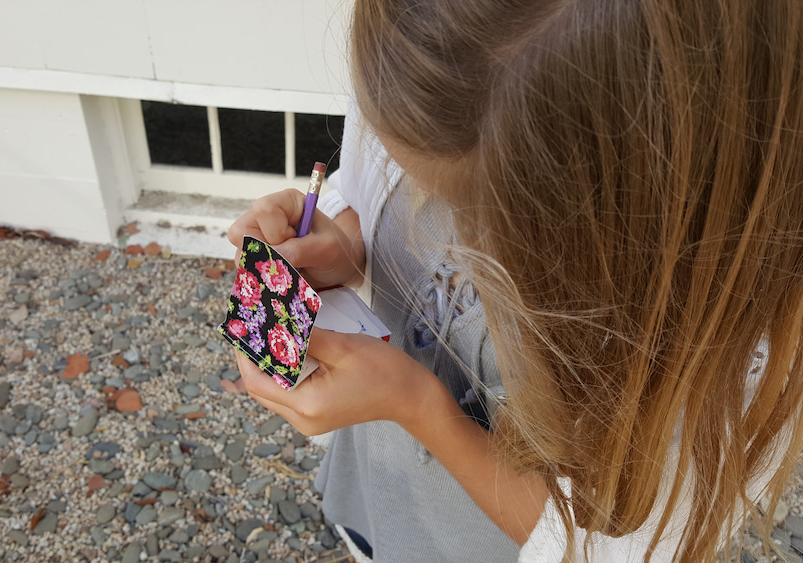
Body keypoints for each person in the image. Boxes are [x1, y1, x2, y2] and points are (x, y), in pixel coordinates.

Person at [226, 0, 803, 561]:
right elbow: (369, 192)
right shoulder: (432, 59)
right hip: (388, 482)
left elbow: (600, 544)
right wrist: (351, 244)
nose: (446, 236)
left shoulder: (730, 356)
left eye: (466, 212)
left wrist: (420, 406)